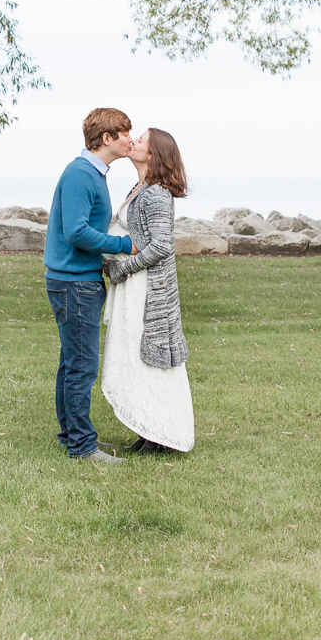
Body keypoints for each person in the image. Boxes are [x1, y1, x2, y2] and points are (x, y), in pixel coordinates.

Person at [43, 107, 138, 463]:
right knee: (82, 366)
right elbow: (76, 231)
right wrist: (123, 246)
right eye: (125, 133)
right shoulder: (82, 174)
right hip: (73, 284)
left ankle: (71, 435)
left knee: (71, 363)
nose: (130, 139)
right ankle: (82, 447)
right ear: (107, 139)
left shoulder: (92, 173)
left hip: (75, 281)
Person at [102, 128, 194, 454]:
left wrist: (122, 268)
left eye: (141, 140)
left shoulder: (156, 194)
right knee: (135, 357)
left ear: (153, 154)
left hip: (147, 288)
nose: (133, 142)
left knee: (149, 359)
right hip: (134, 285)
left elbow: (161, 247)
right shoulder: (140, 187)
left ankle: (162, 436)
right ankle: (146, 430)